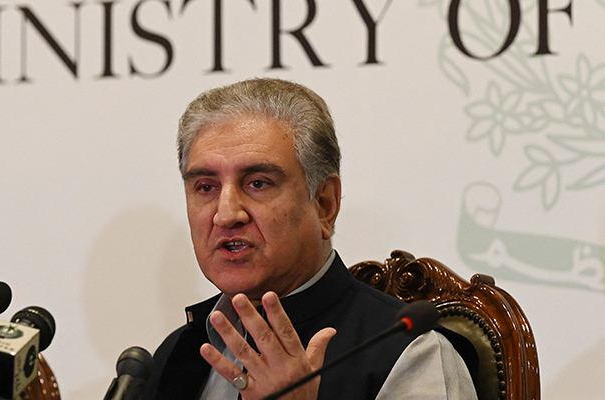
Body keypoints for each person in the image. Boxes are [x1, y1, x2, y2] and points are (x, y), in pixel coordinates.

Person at [140, 78, 477, 400]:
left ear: (324, 205)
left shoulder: (413, 353)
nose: (226, 214)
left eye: (258, 183)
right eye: (206, 187)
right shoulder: (181, 351)